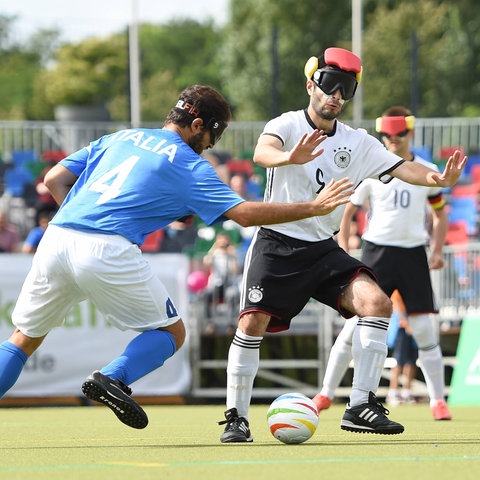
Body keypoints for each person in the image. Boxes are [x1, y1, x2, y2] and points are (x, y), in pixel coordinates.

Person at [0, 84, 354, 429]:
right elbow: (245, 215)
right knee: (172, 332)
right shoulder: (188, 164)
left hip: (58, 238)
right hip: (107, 248)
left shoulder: (120, 137)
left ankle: (106, 378)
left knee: (24, 338)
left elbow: (53, 178)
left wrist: (82, 221)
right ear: (197, 125)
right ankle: (111, 377)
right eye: (212, 137)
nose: (210, 147)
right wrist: (313, 207)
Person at [218, 49, 465, 442]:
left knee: (377, 303)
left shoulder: (359, 142)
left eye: (345, 88)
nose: (335, 94)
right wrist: (287, 157)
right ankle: (237, 418)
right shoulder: (286, 123)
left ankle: (359, 405)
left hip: (322, 247)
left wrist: (438, 179)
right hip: (277, 243)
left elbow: (404, 167)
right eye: (329, 83)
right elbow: (262, 152)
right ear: (310, 84)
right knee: (251, 322)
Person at [314, 105, 452, 421]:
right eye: (387, 135)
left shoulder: (425, 169)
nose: (392, 140)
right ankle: (325, 393)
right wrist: (346, 248)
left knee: (423, 330)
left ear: (409, 133)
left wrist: (438, 250)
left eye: (398, 134)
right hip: (377, 253)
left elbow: (440, 214)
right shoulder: (373, 169)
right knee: (352, 327)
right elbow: (349, 213)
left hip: (413, 253)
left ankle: (438, 401)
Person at [386, 290, 418, 406]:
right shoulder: (398, 287)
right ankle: (393, 392)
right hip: (400, 328)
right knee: (398, 361)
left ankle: (406, 392)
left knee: (411, 361)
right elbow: (396, 303)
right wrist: (405, 322)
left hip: (413, 325)